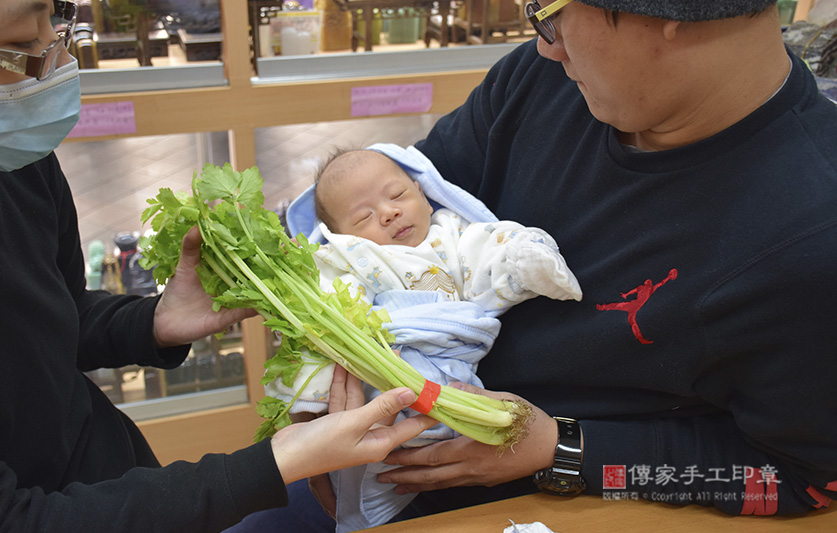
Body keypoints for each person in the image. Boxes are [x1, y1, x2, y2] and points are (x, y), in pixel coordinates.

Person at [235, 1, 837, 529]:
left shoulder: (810, 238)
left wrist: (564, 448)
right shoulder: (541, 82)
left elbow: (800, 479)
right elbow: (389, 224)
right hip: (374, 459)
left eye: (550, 9)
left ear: (667, 11)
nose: (546, 43)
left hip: (549, 503)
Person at [0, 1, 438, 531]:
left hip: (113, 472)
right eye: (24, 45)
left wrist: (154, 321)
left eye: (57, 20)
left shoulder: (20, 160)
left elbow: (57, 317)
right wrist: (277, 462)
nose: (55, 59)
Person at [265, 143, 582, 531]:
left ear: (425, 195)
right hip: (390, 373)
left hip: (456, 368)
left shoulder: (450, 234)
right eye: (363, 216)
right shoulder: (347, 258)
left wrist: (524, 258)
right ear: (338, 236)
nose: (388, 212)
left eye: (397, 195)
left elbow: (490, 252)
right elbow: (327, 319)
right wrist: (308, 406)